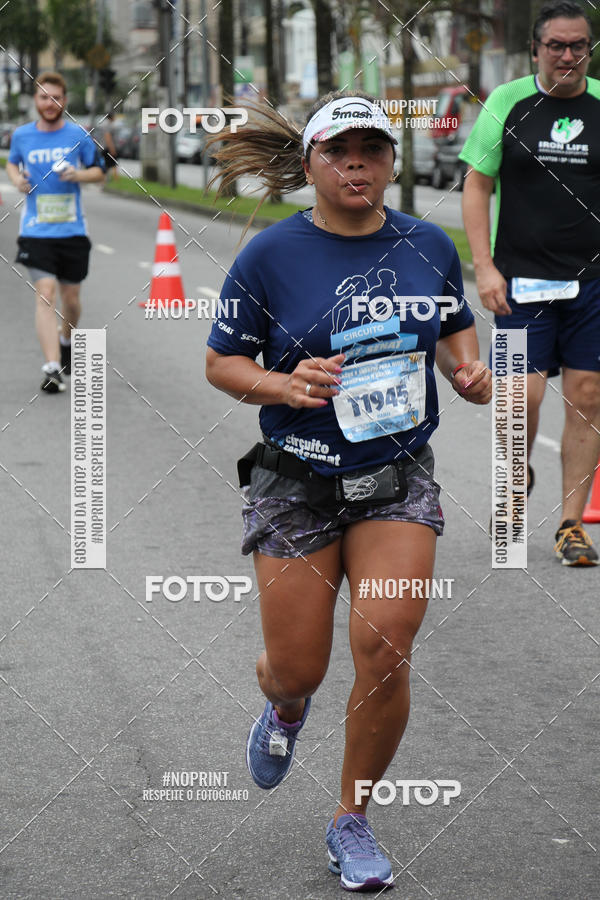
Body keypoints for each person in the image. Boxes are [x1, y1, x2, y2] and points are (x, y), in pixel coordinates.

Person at [206, 91, 491, 891]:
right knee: (299, 668)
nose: (357, 163)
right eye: (340, 151)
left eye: (372, 150)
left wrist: (466, 372)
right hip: (296, 479)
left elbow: (451, 327)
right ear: (311, 165)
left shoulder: (427, 245)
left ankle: (351, 819)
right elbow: (222, 365)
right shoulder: (270, 256)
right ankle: (286, 708)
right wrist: (280, 383)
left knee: (388, 645)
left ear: (392, 162)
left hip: (395, 477)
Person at [460, 0, 600, 565]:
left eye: (579, 45)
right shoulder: (507, 102)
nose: (568, 55)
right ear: (536, 49)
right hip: (521, 282)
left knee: (588, 396)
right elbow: (476, 186)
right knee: (520, 399)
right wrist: (485, 266)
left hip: (594, 284)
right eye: (556, 46)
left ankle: (571, 525)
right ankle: (514, 492)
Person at [6, 71, 105, 394]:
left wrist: (78, 175)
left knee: (71, 301)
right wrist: (17, 180)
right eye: (44, 97)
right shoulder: (22, 135)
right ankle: (51, 368)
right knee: (45, 293)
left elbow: (100, 173)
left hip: (72, 231)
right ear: (35, 100)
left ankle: (66, 340)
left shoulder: (78, 135)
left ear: (65, 100)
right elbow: (12, 162)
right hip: (36, 230)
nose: (50, 104)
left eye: (56, 98)